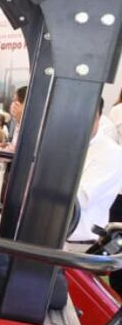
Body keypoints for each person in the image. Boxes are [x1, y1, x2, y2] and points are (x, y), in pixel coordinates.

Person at [69, 99, 122, 251]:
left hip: (78, 245)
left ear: (98, 117)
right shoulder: (65, 145)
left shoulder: (111, 153)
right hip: (49, 237)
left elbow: (80, 198)